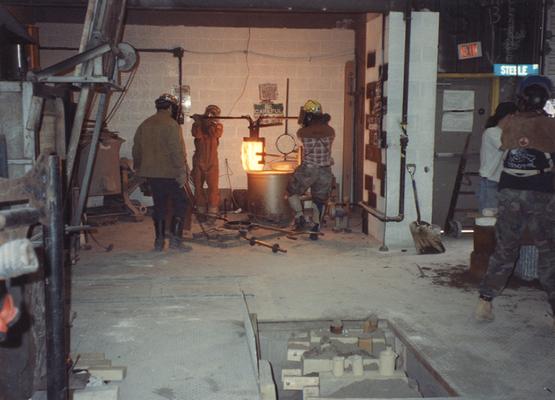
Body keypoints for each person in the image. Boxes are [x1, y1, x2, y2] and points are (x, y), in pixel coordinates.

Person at [475, 76, 555, 331]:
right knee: (549, 252)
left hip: (509, 192)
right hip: (542, 193)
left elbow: (505, 143)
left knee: (505, 249)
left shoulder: (509, 122)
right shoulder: (550, 126)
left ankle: (485, 301)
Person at [132, 93, 191, 252]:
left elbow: (136, 149)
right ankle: (175, 241)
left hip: (152, 174)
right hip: (169, 173)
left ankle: (159, 242)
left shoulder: (145, 124)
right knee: (182, 202)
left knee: (159, 206)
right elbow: (176, 151)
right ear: (171, 107)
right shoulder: (171, 125)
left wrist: (139, 168)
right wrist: (182, 171)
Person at [287, 99, 335, 240]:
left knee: (291, 191)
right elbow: (321, 130)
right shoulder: (331, 131)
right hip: (325, 171)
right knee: (319, 200)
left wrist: (306, 122)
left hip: (308, 169)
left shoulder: (302, 132)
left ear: (309, 115)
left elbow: (306, 129)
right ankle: (315, 228)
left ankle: (299, 218)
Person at [478, 102, 518, 214]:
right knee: (488, 218)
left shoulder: (505, 133)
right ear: (510, 117)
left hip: (502, 181)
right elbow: (504, 146)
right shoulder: (491, 132)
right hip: (490, 180)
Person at [191, 105, 223, 222]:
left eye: (214, 114)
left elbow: (216, 134)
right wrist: (199, 122)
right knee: (198, 188)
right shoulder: (197, 125)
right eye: (210, 113)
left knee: (213, 189)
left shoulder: (218, 126)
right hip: (199, 162)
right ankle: (200, 213)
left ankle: (212, 215)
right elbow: (197, 134)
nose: (211, 116)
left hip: (212, 163)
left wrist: (210, 123)